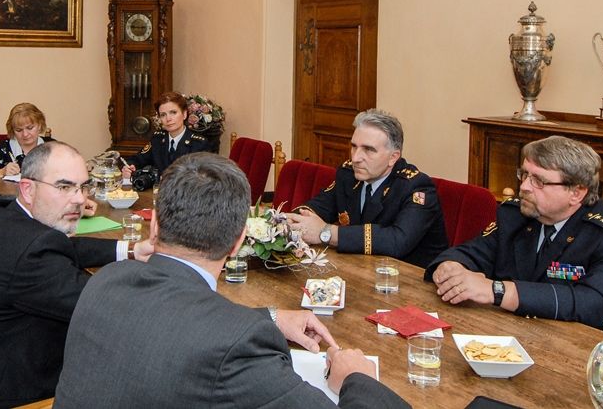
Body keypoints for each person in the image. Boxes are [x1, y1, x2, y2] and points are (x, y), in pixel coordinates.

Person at [54, 152, 409, 408]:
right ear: (239, 241)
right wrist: (356, 379)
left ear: (155, 226)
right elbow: (210, 337)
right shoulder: (238, 346)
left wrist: (270, 317)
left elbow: (175, 322)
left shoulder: (107, 280)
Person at [0, 141, 152, 408]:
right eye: (64, 187)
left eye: (83, 187)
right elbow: (103, 304)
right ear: (27, 189)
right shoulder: (33, 254)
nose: (79, 199)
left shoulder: (1, 219)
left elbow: (63, 246)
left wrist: (131, 250)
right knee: (130, 365)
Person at [427, 135, 603, 329]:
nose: (524, 187)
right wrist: (451, 268)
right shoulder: (516, 216)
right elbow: (471, 252)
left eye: (538, 181)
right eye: (524, 175)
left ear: (577, 193)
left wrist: (498, 291)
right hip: (518, 334)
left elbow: (594, 304)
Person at [285, 109, 448, 268]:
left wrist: (325, 232)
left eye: (368, 150)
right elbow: (320, 206)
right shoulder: (348, 174)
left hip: (408, 279)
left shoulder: (416, 187)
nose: (356, 158)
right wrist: (291, 222)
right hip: (361, 268)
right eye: (354, 146)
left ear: (393, 157)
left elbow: (397, 240)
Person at [121, 91, 217, 187]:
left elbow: (205, 179)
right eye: (163, 115)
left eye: (173, 113)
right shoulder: (157, 139)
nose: (168, 119)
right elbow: (137, 159)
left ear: (184, 114)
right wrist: (129, 167)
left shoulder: (198, 143)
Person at [0, 102, 54, 180]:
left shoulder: (52, 146)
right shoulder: (1, 148)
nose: (25, 134)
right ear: (12, 130)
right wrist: (1, 172)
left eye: (30, 128)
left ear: (40, 125)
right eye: (19, 130)